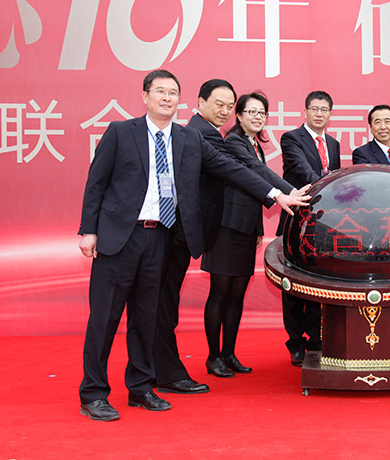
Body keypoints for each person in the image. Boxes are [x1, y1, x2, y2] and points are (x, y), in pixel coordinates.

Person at [77, 70, 309, 421]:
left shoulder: (189, 140)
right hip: (119, 238)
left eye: (173, 92)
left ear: (180, 100)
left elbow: (233, 169)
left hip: (160, 237)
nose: (166, 98)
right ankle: (93, 393)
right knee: (105, 318)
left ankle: (140, 387)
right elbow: (96, 183)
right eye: (160, 91)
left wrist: (277, 194)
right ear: (145, 96)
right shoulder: (121, 132)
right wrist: (89, 231)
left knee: (146, 317)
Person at [201, 91, 301, 376]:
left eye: (262, 113)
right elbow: (255, 172)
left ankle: (229, 353)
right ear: (239, 115)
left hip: (245, 228)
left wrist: (257, 229)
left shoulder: (253, 143)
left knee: (237, 294)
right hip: (226, 228)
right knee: (220, 293)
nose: (258, 117)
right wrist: (291, 191)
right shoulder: (233, 141)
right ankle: (213, 356)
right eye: (252, 112)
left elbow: (254, 189)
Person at [152, 78, 237, 395]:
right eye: (219, 104)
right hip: (172, 233)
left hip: (177, 233)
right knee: (162, 304)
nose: (225, 111)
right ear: (200, 103)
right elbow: (239, 170)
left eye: (230, 106)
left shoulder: (201, 133)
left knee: (163, 303)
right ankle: (165, 372)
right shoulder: (200, 135)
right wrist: (278, 193)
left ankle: (155, 369)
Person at [277, 90, 341, 366]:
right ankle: (295, 342)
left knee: (319, 283)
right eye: (314, 109)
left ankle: (316, 338)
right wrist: (327, 190)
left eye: (324, 109)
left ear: (330, 114)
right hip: (297, 220)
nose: (319, 114)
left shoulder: (334, 144)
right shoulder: (291, 138)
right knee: (293, 285)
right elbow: (303, 171)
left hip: (323, 225)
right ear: (305, 112)